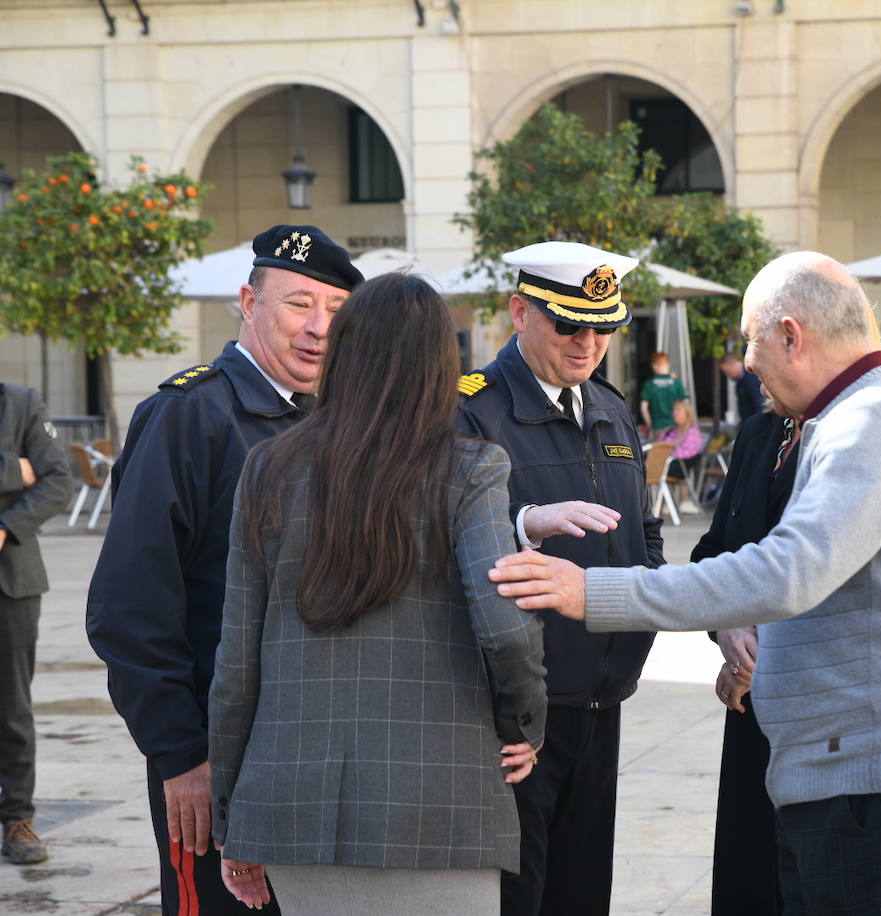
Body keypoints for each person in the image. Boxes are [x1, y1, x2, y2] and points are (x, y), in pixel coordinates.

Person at [490, 251, 881, 916]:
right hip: (835, 767)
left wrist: (592, 593)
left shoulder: (872, 417)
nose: (749, 362)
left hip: (863, 779)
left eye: (750, 340)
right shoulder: (853, 413)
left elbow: (791, 569)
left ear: (792, 336)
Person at [209, 272, 547, 914]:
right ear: (439, 363)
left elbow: (236, 665)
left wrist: (234, 817)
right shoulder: (472, 467)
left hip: (292, 800)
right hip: (441, 798)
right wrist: (525, 725)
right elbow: (504, 626)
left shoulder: (268, 467)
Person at [86, 225, 362, 916]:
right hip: (216, 761)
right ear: (249, 301)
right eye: (299, 304)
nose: (319, 328)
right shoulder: (190, 416)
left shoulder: (335, 422)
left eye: (335, 310)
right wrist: (181, 756)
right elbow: (130, 607)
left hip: (315, 757)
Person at [454, 240, 663, 916]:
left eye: (603, 326)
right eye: (568, 324)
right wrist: (525, 522)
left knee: (580, 899)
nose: (588, 342)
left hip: (603, 703)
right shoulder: (472, 412)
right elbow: (442, 540)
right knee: (517, 901)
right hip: (517, 721)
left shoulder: (608, 407)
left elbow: (644, 532)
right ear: (519, 312)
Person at [699, 389, 798, 916]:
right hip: (750, 703)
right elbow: (715, 551)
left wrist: (765, 643)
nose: (750, 368)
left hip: (822, 708)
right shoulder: (761, 434)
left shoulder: (855, 436)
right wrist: (727, 626)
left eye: (759, 345)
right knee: (749, 872)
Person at [0, 385, 72, 866]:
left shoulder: (20, 403)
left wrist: (4, 527)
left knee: (12, 706)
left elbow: (57, 481)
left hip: (12, 579)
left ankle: (17, 818)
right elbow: (29, 474)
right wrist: (12, 468)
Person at [639, 350, 688, 436]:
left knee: (659, 449)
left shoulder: (649, 384)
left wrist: (650, 425)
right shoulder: (676, 382)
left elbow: (644, 408)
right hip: (675, 426)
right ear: (668, 364)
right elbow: (685, 404)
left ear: (654, 366)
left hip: (657, 426)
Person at [720, 351, 763, 423]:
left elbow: (759, 402)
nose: (728, 375)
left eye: (727, 372)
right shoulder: (739, 382)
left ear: (732, 364)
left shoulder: (751, 376)